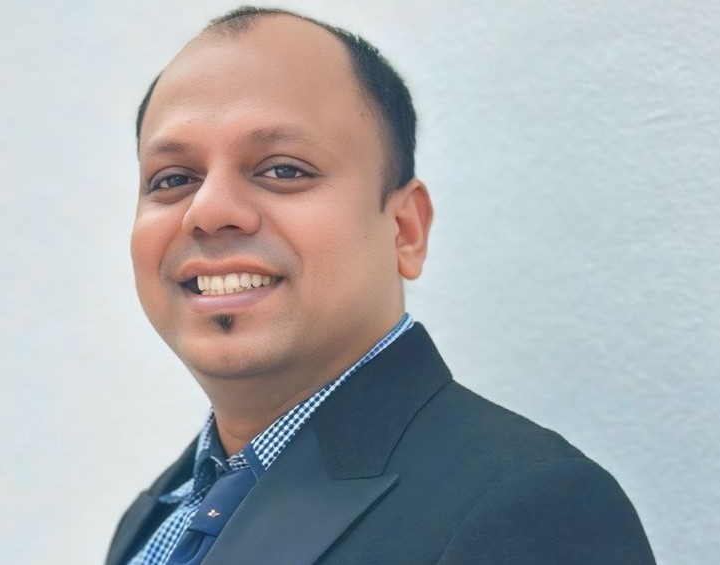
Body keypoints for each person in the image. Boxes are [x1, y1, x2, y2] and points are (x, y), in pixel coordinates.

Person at [107, 6, 656, 565]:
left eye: (284, 169)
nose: (208, 210)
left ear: (405, 230)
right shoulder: (157, 515)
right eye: (173, 179)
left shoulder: (532, 509)